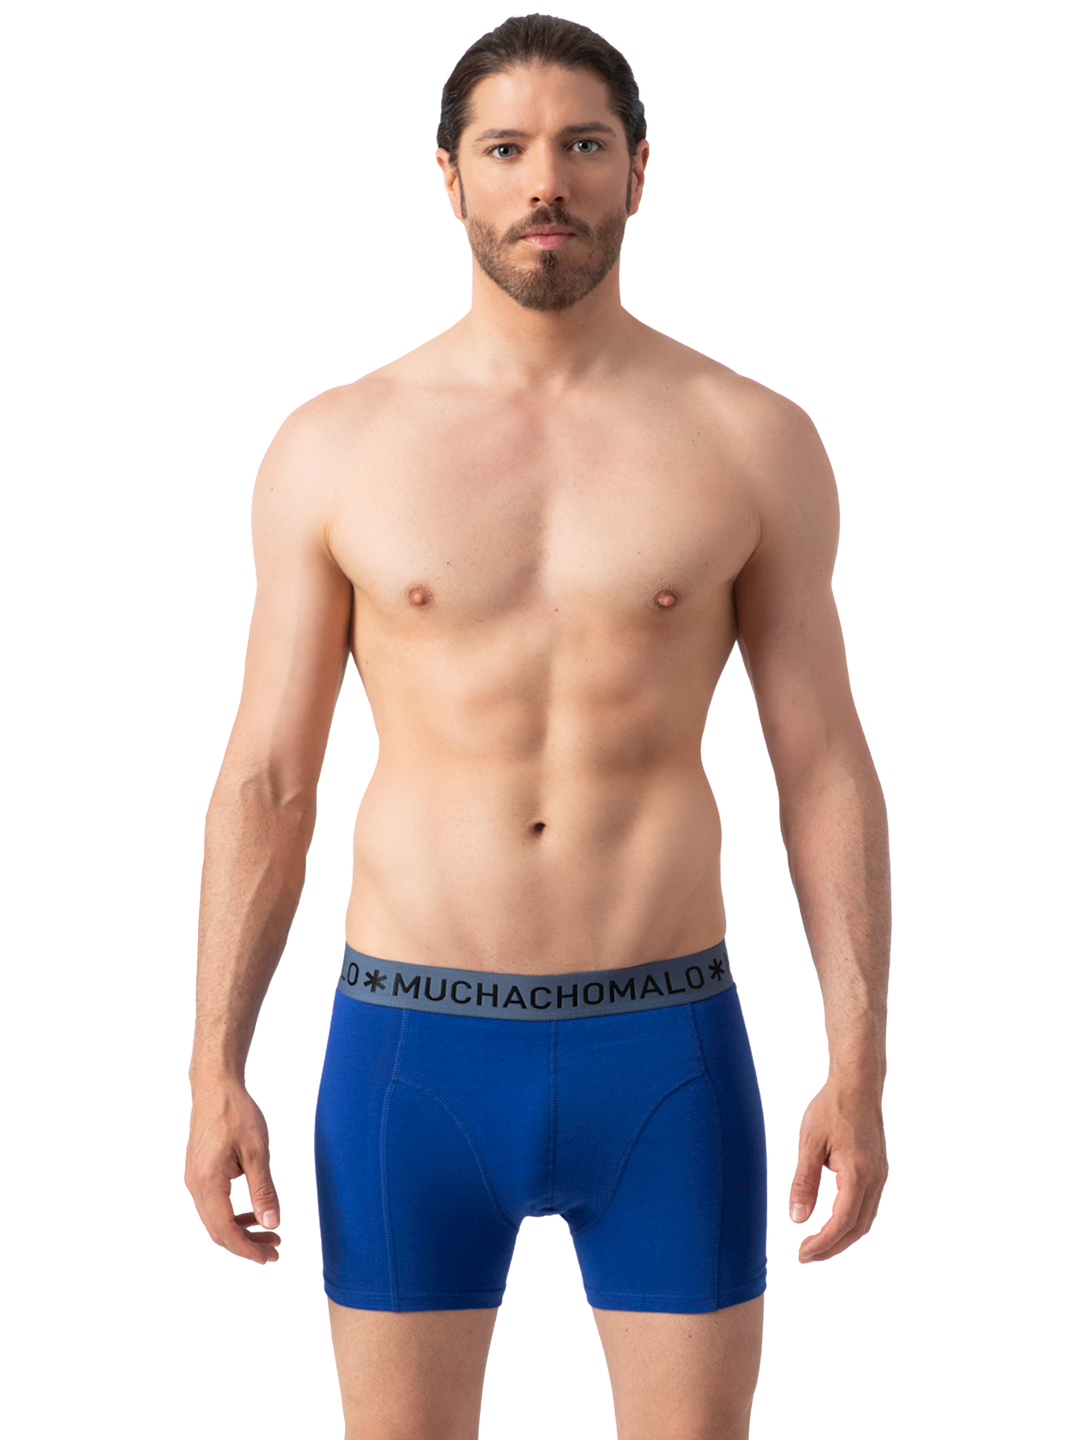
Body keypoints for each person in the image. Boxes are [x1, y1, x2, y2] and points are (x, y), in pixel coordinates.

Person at [183, 14, 892, 1439]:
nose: (546, 182)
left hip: (667, 1048)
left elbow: (823, 768)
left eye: (581, 145)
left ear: (639, 168)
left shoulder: (752, 436)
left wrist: (862, 1062)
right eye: (507, 149)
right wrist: (211, 1067)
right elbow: (267, 776)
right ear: (452, 178)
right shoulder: (337, 443)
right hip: (408, 1052)